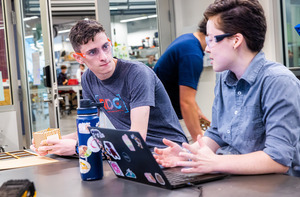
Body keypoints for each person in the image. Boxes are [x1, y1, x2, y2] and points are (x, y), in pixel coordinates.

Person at [154, 0, 300, 177]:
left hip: (272, 185)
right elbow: (217, 134)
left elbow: (277, 159)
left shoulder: (278, 81)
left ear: (236, 40)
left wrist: (216, 162)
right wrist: (187, 155)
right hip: (234, 179)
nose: (207, 48)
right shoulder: (224, 78)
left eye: (211, 39)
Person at [31, 19, 187, 156]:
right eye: (93, 52)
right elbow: (90, 131)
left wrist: (79, 148)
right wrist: (53, 143)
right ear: (79, 58)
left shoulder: (137, 74)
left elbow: (137, 139)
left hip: (165, 153)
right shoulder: (88, 79)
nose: (104, 57)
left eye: (105, 47)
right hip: (127, 154)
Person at [154, 19, 209, 142]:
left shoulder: (187, 40)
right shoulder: (192, 55)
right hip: (169, 117)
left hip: (165, 112)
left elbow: (185, 92)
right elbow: (186, 102)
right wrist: (199, 141)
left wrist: (198, 113)